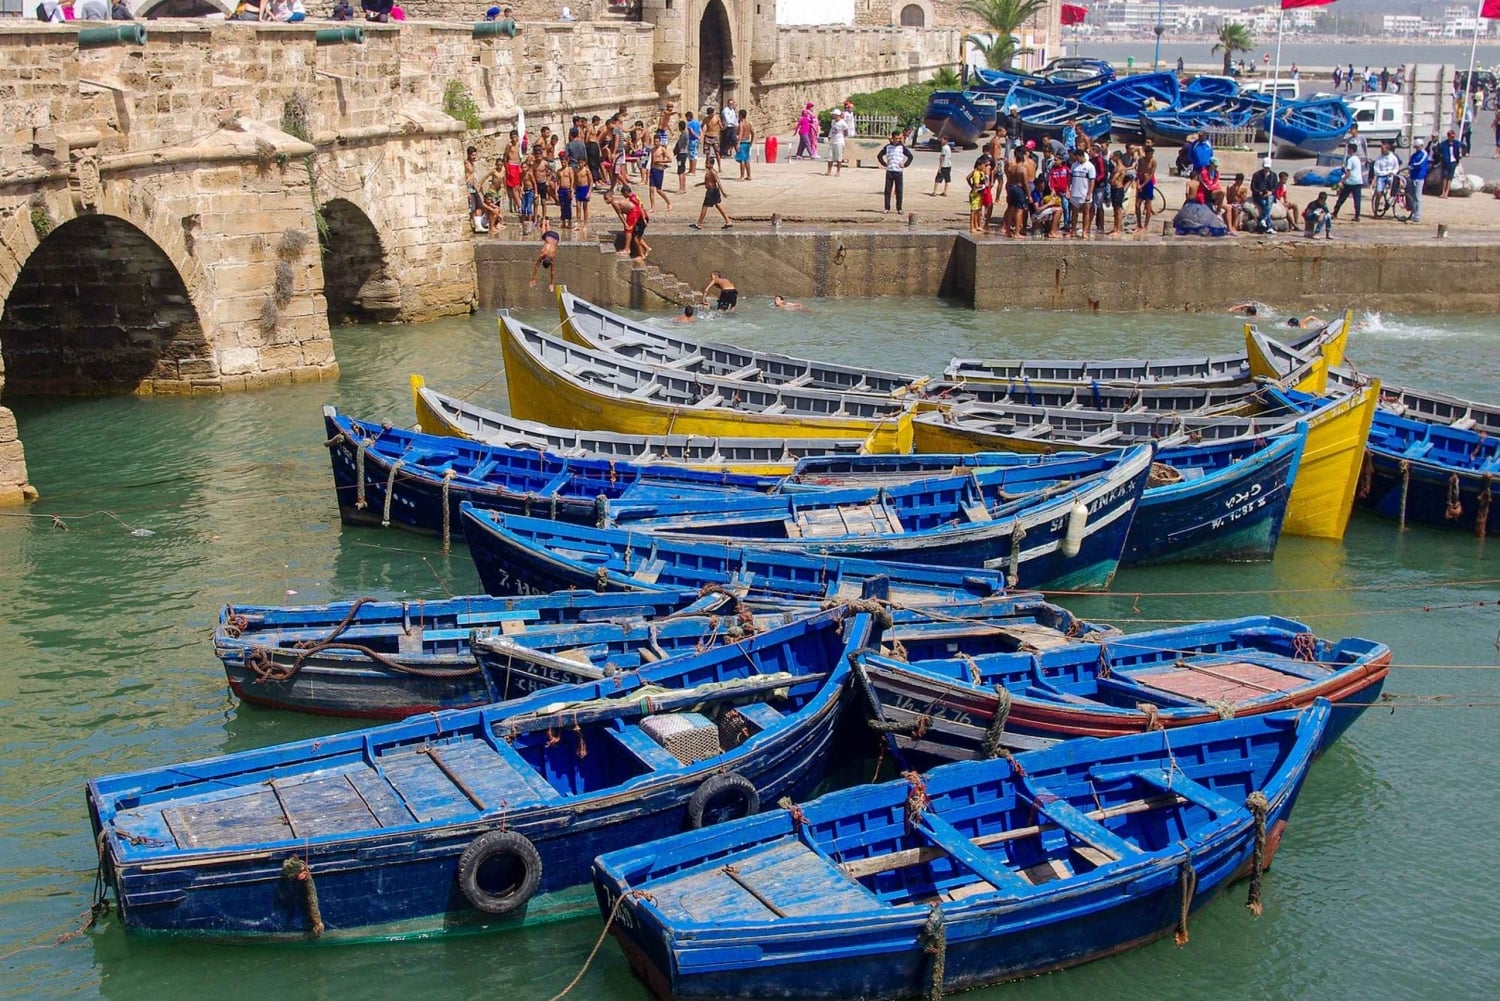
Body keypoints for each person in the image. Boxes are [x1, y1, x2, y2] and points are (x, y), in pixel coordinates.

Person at [877, 130, 913, 213]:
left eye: (899, 138)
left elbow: (910, 156)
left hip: (898, 171)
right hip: (890, 170)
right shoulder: (888, 147)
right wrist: (884, 163)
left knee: (899, 191)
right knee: (887, 190)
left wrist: (905, 164)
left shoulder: (902, 147)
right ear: (892, 138)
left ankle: (899, 208)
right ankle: (887, 208)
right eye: (896, 138)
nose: (898, 140)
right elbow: (879, 156)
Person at [691, 159, 731, 229]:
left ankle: (699, 223)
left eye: (707, 163)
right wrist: (699, 184)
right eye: (706, 163)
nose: (706, 165)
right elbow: (708, 181)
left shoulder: (713, 172)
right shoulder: (708, 171)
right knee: (717, 205)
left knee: (705, 206)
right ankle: (728, 221)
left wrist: (723, 192)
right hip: (712, 191)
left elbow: (718, 182)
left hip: (712, 191)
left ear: (712, 164)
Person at [1067, 147, 1096, 238]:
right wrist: (1068, 189)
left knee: (1086, 212)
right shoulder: (1074, 165)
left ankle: (1085, 231)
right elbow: (1070, 178)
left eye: (1078, 157)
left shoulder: (1090, 166)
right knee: (1074, 213)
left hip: (1084, 193)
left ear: (1082, 156)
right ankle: (1073, 231)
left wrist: (1089, 193)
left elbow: (1092, 181)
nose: (1077, 159)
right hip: (1075, 192)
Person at [1331, 142, 1364, 221]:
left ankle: (1335, 213)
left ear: (1351, 150)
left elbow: (1348, 173)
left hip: (1350, 182)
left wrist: (1341, 181)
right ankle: (1357, 215)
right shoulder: (1357, 159)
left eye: (1348, 149)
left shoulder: (1350, 160)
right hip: (1358, 181)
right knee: (1357, 199)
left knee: (1341, 198)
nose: (1347, 150)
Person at [1249, 158, 1277, 235]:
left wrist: (1270, 192)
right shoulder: (1257, 175)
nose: (1266, 169)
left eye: (1268, 168)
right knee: (1265, 204)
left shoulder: (1274, 175)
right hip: (1259, 195)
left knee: (1269, 199)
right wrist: (1260, 192)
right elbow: (1253, 187)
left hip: (1269, 195)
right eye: (1265, 167)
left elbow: (1275, 187)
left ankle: (1263, 220)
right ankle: (1269, 226)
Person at [1135, 141, 1157, 234]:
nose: (1150, 155)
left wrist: (1142, 185)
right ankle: (1139, 224)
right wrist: (1137, 184)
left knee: (1148, 204)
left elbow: (1151, 174)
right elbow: (1138, 171)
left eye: (1151, 154)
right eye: (1149, 154)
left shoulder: (1153, 161)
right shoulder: (1141, 160)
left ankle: (1146, 225)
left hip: (1148, 183)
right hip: (1140, 180)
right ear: (1146, 153)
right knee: (1137, 204)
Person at [1407, 137, 1430, 222]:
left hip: (1419, 177)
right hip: (1412, 177)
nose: (1416, 148)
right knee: (1412, 197)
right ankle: (1413, 213)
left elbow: (1420, 164)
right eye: (1415, 147)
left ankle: (1417, 215)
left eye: (1417, 147)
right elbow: (1409, 163)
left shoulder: (1424, 154)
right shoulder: (1414, 155)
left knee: (1417, 197)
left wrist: (1412, 166)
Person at [1438, 129, 1464, 197]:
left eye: (1453, 136)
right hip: (1445, 162)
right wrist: (1441, 156)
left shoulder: (1457, 143)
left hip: (1453, 162)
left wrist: (1461, 154)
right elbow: (1437, 149)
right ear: (1448, 136)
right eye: (1451, 136)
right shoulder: (1444, 144)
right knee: (1445, 177)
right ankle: (1443, 192)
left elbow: (1463, 147)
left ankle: (1447, 192)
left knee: (1450, 177)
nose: (1453, 138)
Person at [825, 109, 849, 176]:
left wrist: (844, 137)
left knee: (839, 157)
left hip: (839, 142)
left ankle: (838, 171)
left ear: (837, 115)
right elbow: (832, 129)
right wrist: (830, 136)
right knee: (830, 156)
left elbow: (846, 131)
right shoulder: (833, 121)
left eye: (833, 115)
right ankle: (829, 171)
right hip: (833, 141)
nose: (832, 116)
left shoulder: (842, 123)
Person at [735, 114, 754, 181]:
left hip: (742, 142)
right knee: (746, 160)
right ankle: (749, 176)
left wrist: (738, 143)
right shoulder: (749, 123)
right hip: (747, 142)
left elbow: (740, 133)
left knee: (742, 160)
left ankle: (742, 176)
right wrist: (751, 141)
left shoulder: (741, 123)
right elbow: (753, 133)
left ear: (741, 115)